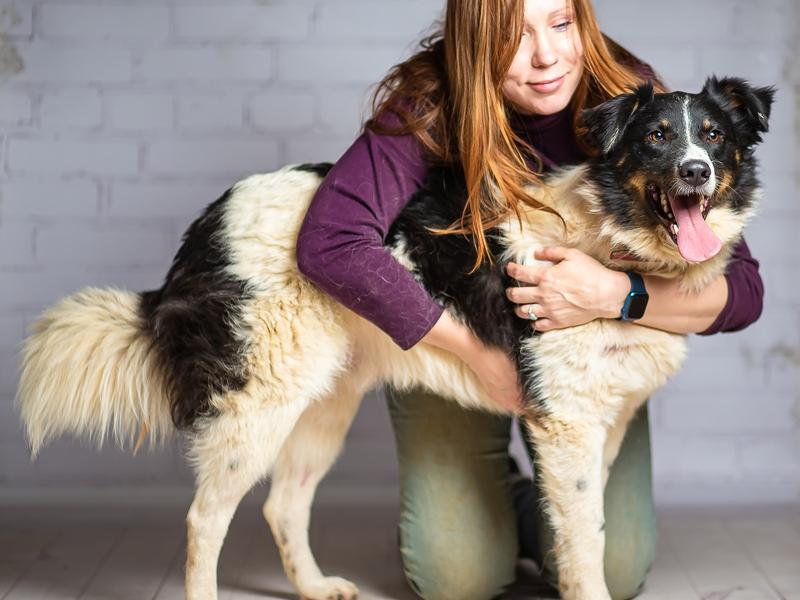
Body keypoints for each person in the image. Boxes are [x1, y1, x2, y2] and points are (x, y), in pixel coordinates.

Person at [295, 1, 764, 599]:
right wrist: (476, 355)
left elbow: (744, 293)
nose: (546, 56)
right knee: (454, 578)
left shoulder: (635, 98)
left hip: (587, 361)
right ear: (474, 44)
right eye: (514, 36)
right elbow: (329, 241)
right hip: (457, 332)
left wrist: (617, 293)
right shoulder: (431, 102)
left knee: (614, 571)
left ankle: (519, 502)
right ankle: (490, 492)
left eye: (561, 24)